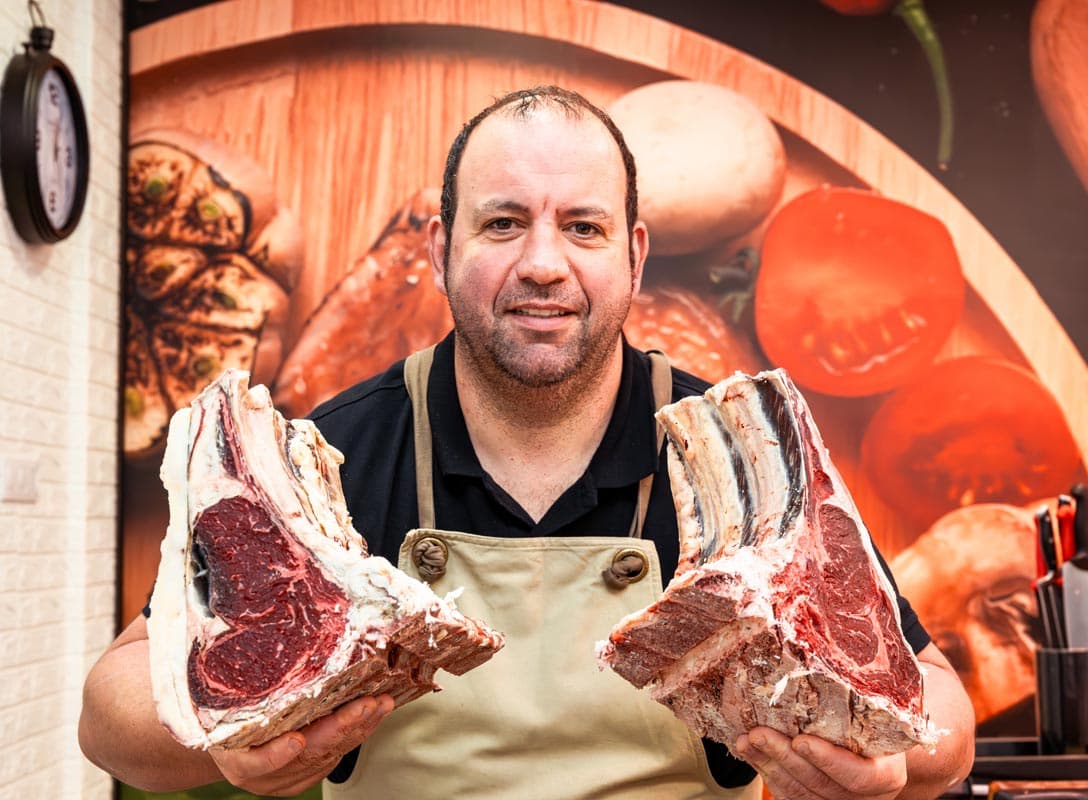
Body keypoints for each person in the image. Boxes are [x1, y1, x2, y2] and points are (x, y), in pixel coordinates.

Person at [79, 85, 974, 799]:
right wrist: (227, 736)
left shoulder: (739, 456)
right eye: (503, 223)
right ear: (439, 248)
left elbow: (943, 709)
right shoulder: (336, 456)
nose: (544, 263)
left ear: (634, 252)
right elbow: (108, 715)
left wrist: (888, 767)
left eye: (582, 227)